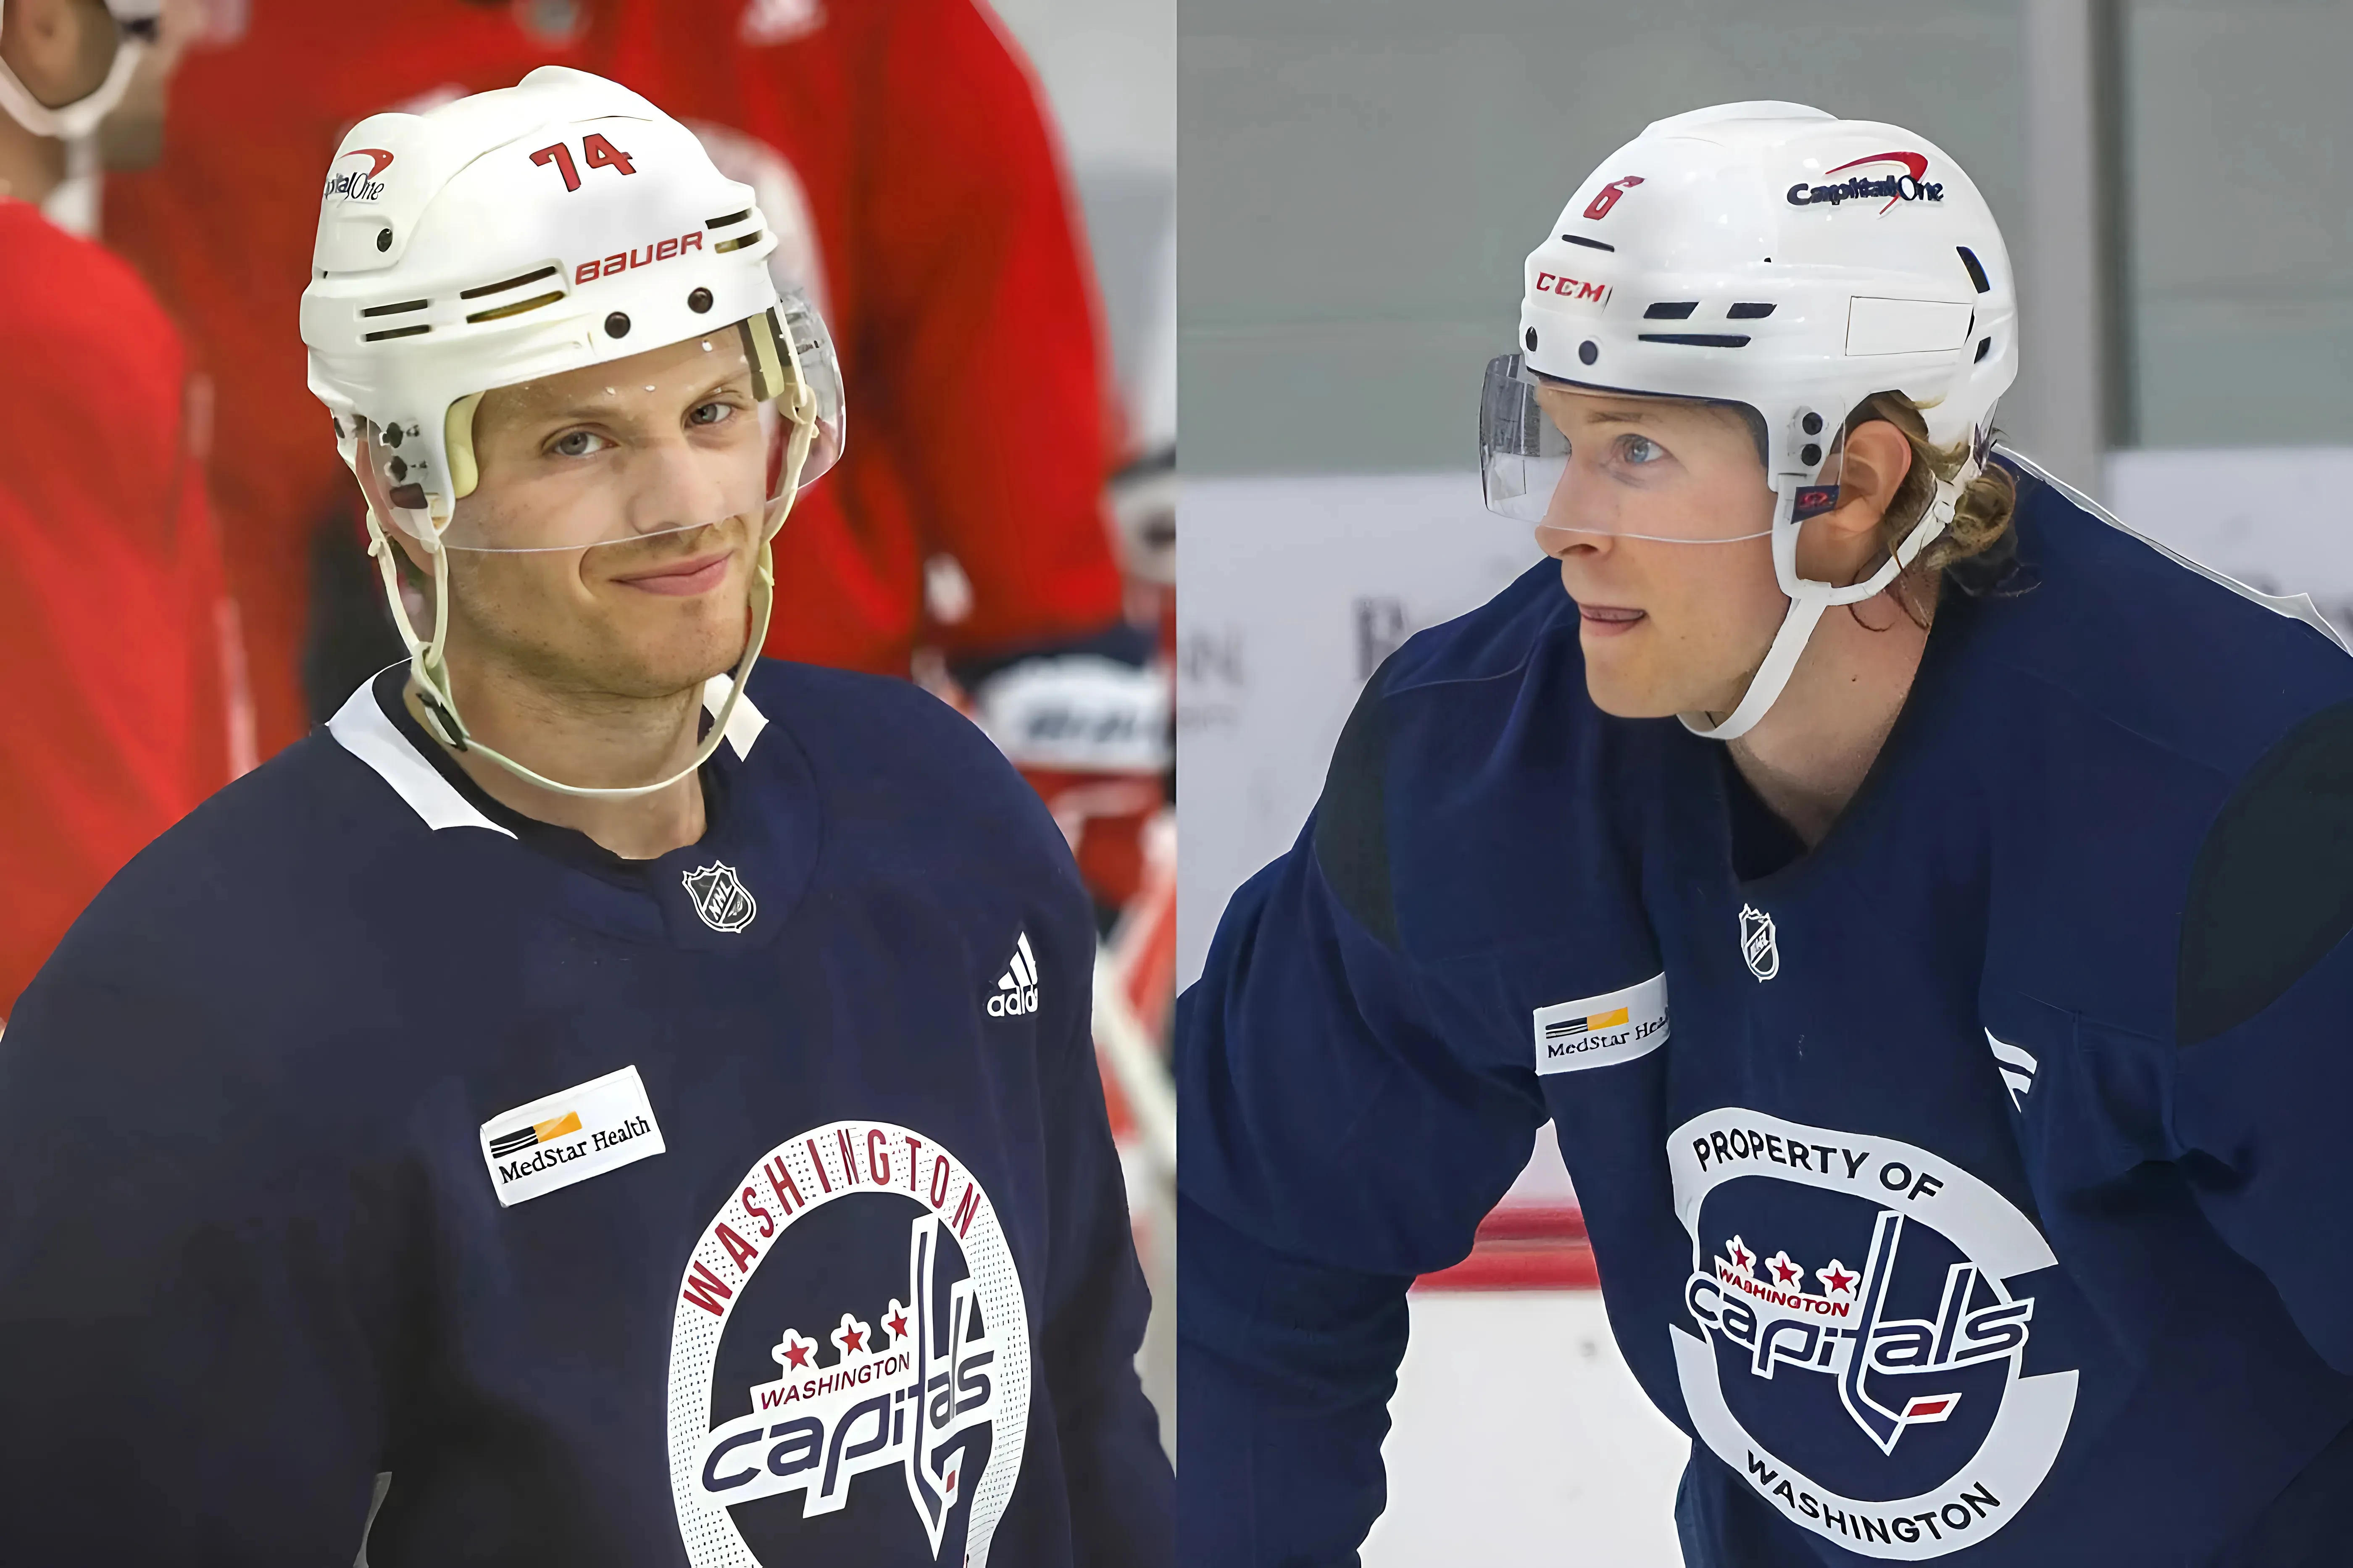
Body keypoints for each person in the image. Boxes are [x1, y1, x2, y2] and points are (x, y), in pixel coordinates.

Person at [0, 69, 1170, 1566]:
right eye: (576, 443)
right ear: (399, 474)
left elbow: (1082, 1418)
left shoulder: (941, 817)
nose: (683, 502)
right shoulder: (197, 1012)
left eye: (713, 408)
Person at [1178, 100, 2353, 1565]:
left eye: (1638, 452)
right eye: (1559, 437)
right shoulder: (1483, 764)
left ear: (1853, 489)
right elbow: (1251, 1235)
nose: (1562, 520)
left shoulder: (2245, 815)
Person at [0, 0, 238, 1021]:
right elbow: (100, 740)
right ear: (46, 30)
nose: (182, 47)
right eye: (144, 25)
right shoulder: (53, 311)